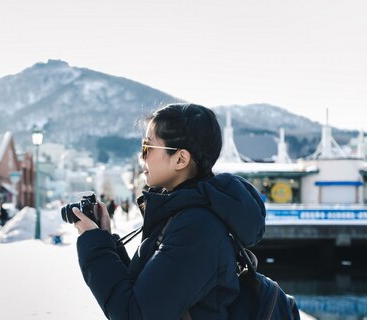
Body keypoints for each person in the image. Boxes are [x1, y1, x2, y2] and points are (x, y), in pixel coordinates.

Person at [72, 103, 265, 319]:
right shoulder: (184, 214)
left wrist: (94, 244)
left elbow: (134, 313)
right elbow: (144, 292)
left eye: (147, 148)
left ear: (181, 159)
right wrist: (104, 239)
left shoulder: (197, 228)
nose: (142, 157)